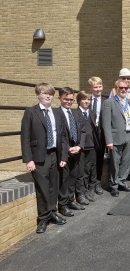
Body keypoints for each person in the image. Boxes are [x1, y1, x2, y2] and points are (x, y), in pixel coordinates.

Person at [21, 83, 68, 233]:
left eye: (50, 94)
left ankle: (53, 213)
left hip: (55, 154)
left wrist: (63, 156)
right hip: (39, 157)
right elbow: (25, 137)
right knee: (42, 188)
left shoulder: (57, 113)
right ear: (37, 95)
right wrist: (29, 159)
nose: (48, 96)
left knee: (53, 186)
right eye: (44, 93)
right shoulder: (31, 112)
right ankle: (43, 218)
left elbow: (63, 136)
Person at [101, 78, 130, 197]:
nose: (123, 90)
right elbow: (106, 123)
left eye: (125, 88)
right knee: (115, 163)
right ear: (116, 89)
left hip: (129, 135)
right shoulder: (109, 102)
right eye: (121, 88)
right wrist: (109, 140)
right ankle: (114, 185)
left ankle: (122, 182)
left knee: (126, 161)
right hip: (115, 137)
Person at [56, 87, 86, 216]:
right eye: (65, 99)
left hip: (76, 150)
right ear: (59, 98)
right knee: (64, 178)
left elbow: (83, 131)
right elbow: (58, 135)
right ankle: (63, 205)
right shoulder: (56, 113)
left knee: (74, 176)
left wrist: (79, 146)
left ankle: (70, 200)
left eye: (71, 100)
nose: (68, 102)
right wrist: (67, 148)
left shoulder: (76, 113)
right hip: (64, 151)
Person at [75, 91, 101, 204]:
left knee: (90, 169)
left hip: (91, 145)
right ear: (79, 100)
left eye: (89, 99)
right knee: (81, 171)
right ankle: (81, 193)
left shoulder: (91, 113)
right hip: (81, 147)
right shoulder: (75, 113)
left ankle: (87, 191)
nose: (87, 101)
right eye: (84, 99)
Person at [88, 76, 106, 195]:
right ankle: (90, 184)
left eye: (100, 86)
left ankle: (98, 182)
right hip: (89, 134)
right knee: (89, 160)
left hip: (102, 134)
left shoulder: (107, 100)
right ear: (91, 88)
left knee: (99, 159)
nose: (98, 89)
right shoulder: (86, 99)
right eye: (95, 87)